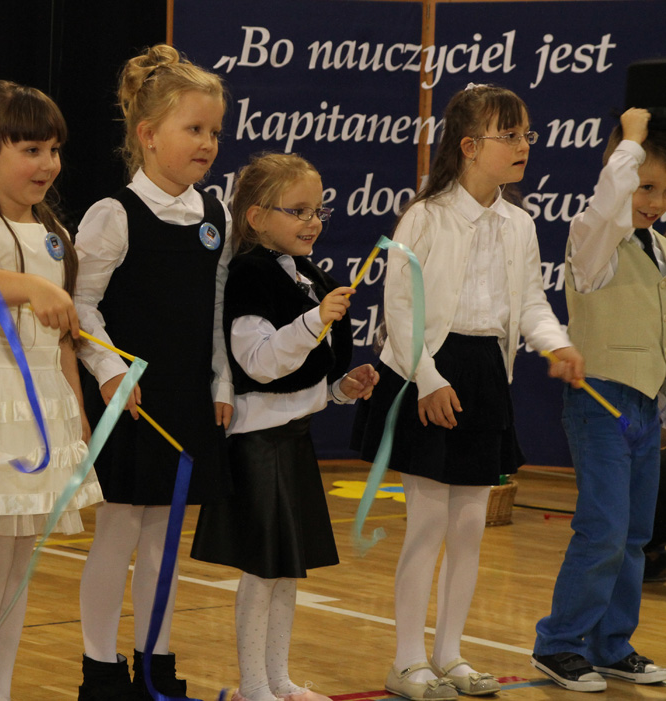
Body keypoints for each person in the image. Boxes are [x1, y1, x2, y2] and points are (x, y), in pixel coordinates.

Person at [351, 83, 583, 701]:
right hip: (427, 367)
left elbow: (529, 304)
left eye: (527, 134)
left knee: (470, 528)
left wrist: (555, 344)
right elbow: (399, 308)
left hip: (484, 374)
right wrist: (427, 379)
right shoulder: (425, 216)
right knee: (427, 523)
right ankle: (407, 661)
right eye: (510, 135)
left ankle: (449, 654)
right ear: (469, 146)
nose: (523, 145)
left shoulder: (520, 223)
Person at [75, 43, 233, 701]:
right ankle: (100, 670)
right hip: (130, 400)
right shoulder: (114, 214)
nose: (207, 143)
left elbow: (218, 309)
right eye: (193, 129)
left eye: (214, 131)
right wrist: (111, 372)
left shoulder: (215, 216)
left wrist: (223, 382)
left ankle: (155, 666)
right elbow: (80, 305)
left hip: (186, 395)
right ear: (147, 134)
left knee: (166, 540)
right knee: (117, 534)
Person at [191, 152, 378, 701]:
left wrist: (339, 389)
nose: (312, 222)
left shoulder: (309, 276)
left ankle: (278, 679)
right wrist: (314, 320)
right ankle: (253, 685)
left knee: (286, 571)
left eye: (318, 210)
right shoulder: (250, 275)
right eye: (298, 211)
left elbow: (298, 382)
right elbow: (259, 363)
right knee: (262, 571)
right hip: (258, 446)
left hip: (293, 441)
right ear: (255, 217)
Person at [0, 79, 102, 701]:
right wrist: (37, 289)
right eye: (31, 150)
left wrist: (77, 408)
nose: (48, 164)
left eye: (54, 150)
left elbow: (63, 338)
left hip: (45, 408)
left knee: (17, 573)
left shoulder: (52, 228)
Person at [532, 96, 666, 691]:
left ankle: (612, 644)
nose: (653, 203)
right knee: (604, 530)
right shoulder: (593, 240)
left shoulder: (658, 248)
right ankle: (559, 643)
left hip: (645, 406)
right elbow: (610, 204)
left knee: (634, 534)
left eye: (663, 191)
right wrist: (631, 139)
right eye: (644, 187)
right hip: (601, 403)